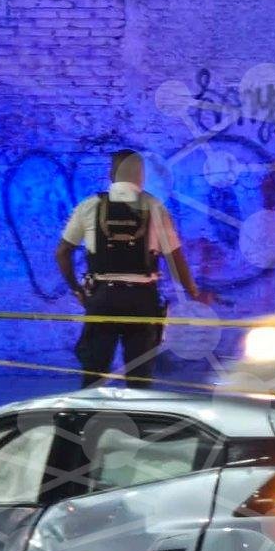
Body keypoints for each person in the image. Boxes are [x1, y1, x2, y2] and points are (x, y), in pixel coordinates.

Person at [54, 149, 212, 388]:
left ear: (111, 174)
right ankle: (137, 423)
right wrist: (194, 293)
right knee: (139, 378)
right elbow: (175, 258)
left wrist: (77, 290)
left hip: (102, 298)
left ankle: (84, 422)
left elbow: (62, 253)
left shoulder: (90, 206)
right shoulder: (155, 207)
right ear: (141, 176)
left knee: (93, 375)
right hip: (142, 300)